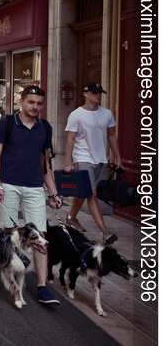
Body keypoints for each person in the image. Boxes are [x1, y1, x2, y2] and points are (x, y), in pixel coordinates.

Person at [0, 85, 62, 306]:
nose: (35, 107)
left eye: (39, 103)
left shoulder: (45, 127)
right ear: (21, 101)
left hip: (34, 188)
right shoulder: (7, 123)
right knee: (9, 232)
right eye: (31, 102)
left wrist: (53, 191)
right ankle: (9, 272)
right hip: (9, 184)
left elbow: (46, 163)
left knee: (40, 235)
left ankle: (42, 287)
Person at [64, 83, 121, 243]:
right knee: (91, 194)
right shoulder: (76, 115)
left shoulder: (107, 114)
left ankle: (71, 217)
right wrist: (68, 162)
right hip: (83, 158)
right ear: (85, 94)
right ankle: (105, 232)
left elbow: (111, 136)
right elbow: (70, 139)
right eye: (94, 93)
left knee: (83, 192)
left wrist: (118, 157)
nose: (97, 96)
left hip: (101, 159)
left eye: (99, 93)